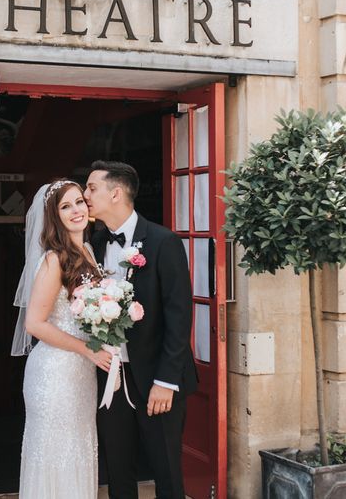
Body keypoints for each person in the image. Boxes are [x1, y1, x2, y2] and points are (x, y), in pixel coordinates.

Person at [84, 161, 197, 499]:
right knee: (118, 469)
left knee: (166, 469)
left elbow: (179, 317)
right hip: (112, 378)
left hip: (158, 378)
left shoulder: (164, 242)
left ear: (115, 193)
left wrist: (166, 381)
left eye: (91, 188)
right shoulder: (95, 244)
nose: (85, 195)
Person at [12, 180, 112, 499]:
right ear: (54, 216)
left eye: (79, 202)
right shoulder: (53, 259)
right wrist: (88, 349)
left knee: (78, 450)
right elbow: (35, 323)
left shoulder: (88, 251)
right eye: (65, 206)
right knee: (56, 454)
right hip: (54, 374)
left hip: (81, 374)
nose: (76, 210)